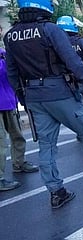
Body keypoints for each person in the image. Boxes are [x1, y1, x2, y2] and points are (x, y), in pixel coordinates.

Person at [4, 0, 83, 209]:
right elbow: (74, 63)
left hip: (33, 96)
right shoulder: (50, 29)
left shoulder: (11, 35)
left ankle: (56, 192)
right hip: (59, 92)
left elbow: (12, 72)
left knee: (46, 145)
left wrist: (23, 98)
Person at [0, 47, 39, 191]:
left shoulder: (3, 52)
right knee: (0, 143)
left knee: (18, 135)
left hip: (9, 101)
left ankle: (19, 162)